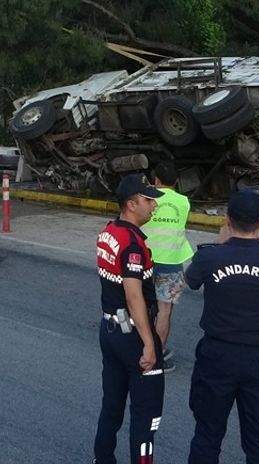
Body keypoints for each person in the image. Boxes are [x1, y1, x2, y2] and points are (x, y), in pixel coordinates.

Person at [184, 190, 259, 464]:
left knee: (207, 435)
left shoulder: (210, 256)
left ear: (227, 219)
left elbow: (189, 278)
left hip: (217, 355)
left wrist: (220, 240)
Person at [93, 173, 165, 464]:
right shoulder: (133, 245)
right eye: (148, 200)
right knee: (146, 419)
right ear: (131, 204)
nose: (153, 206)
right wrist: (149, 343)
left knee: (111, 407)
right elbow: (134, 295)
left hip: (110, 330)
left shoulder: (109, 231)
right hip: (132, 335)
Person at [145, 160, 193, 372]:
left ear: (156, 180)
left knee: (141, 307)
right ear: (175, 181)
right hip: (171, 263)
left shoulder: (146, 198)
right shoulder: (183, 202)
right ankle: (157, 355)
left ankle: (141, 349)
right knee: (164, 311)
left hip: (145, 262)